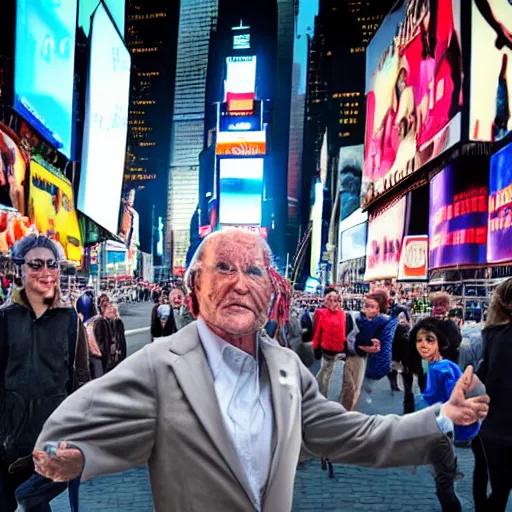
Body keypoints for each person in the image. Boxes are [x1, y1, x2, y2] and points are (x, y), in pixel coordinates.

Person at [33, 231, 489, 512]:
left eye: (253, 270)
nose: (239, 282)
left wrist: (442, 416)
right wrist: (72, 455)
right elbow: (73, 422)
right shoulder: (160, 362)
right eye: (224, 268)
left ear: (272, 292)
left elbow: (355, 434)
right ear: (195, 290)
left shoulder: (287, 368)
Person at [0, 234, 90, 512]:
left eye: (52, 265)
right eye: (35, 264)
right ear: (20, 269)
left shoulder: (70, 322)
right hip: (7, 442)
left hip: (51, 442)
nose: (46, 272)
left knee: (32, 499)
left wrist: (79, 439)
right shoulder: (5, 319)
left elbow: (82, 384)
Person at [408, 317, 481, 512]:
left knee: (444, 488)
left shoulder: (443, 368)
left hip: (444, 433)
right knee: (443, 484)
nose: (423, 345)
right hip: (443, 431)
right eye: (419, 340)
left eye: (429, 340)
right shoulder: (436, 365)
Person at [472, 279, 512, 511]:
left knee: (492, 480)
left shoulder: (491, 333)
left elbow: (482, 377)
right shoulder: (496, 335)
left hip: (489, 422)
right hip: (499, 423)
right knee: (500, 485)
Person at [313, 288, 353, 397]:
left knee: (330, 374)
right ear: (325, 301)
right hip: (326, 349)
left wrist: (345, 348)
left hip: (340, 351)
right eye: (329, 300)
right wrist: (316, 346)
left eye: (335, 300)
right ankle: (323, 397)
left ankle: (320, 392)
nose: (332, 303)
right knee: (326, 372)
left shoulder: (344, 315)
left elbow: (347, 331)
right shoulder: (320, 313)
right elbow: (317, 330)